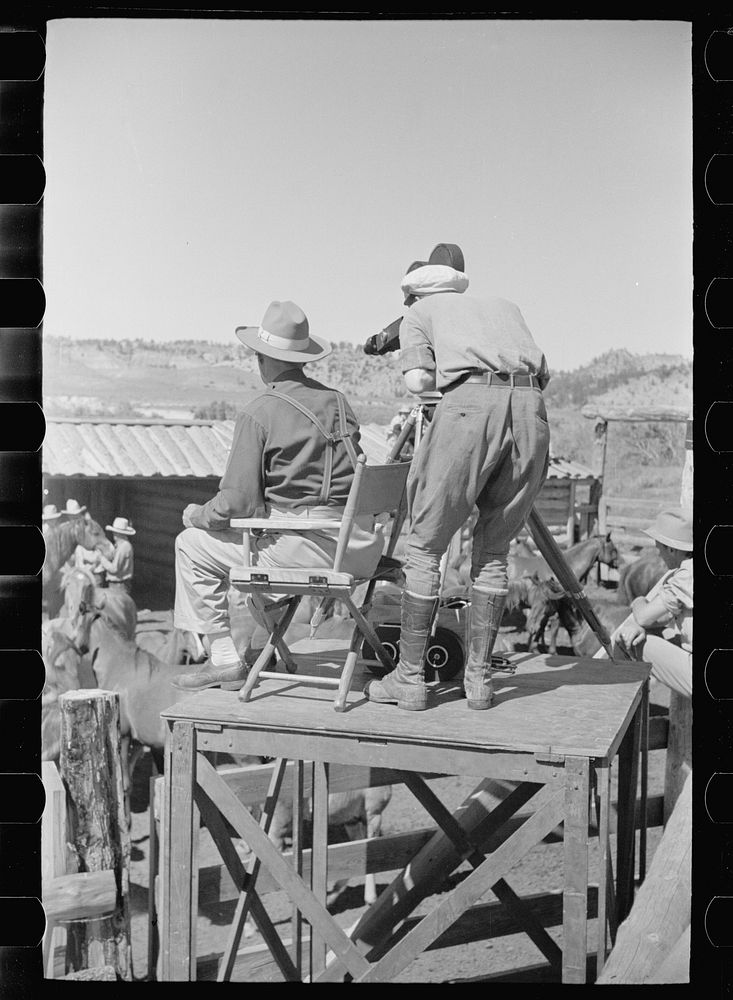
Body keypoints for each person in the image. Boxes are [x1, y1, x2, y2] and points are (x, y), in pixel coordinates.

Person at [365, 243, 551, 712]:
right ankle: (480, 682)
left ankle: (409, 679)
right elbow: (542, 372)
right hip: (531, 412)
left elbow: (418, 384)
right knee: (493, 551)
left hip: (469, 411)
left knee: (424, 546)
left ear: (412, 295)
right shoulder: (504, 308)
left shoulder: (420, 313)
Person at [171, 299, 384, 691]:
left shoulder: (260, 412)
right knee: (262, 543)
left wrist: (197, 515)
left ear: (261, 358)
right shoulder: (339, 402)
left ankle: (223, 659)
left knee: (190, 546)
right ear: (303, 358)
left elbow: (237, 504)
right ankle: (261, 642)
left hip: (311, 552)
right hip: (361, 545)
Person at [611, 508, 692, 699]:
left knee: (624, 641)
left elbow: (644, 616)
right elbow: (662, 616)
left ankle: (618, 713)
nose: (660, 555)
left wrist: (638, 600)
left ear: (672, 549)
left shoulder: (686, 575)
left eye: (660, 549)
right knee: (653, 632)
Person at [98, 516, 136, 594]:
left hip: (119, 586)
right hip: (118, 585)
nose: (113, 534)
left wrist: (102, 559)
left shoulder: (123, 547)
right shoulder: (120, 545)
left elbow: (114, 569)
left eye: (115, 532)